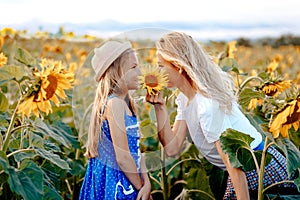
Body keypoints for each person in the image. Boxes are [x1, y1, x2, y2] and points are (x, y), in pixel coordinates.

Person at [146, 32, 297, 200]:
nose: (157, 72)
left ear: (178, 66)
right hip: (245, 168)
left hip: (258, 168)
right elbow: (172, 148)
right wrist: (159, 108)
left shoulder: (206, 105)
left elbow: (233, 164)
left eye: (161, 66)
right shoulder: (185, 98)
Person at [79, 40, 152, 200]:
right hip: (116, 182)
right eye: (133, 67)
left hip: (129, 177)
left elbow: (136, 151)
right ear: (116, 72)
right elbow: (123, 158)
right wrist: (142, 188)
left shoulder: (126, 104)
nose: (140, 72)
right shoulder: (115, 104)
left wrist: (147, 182)